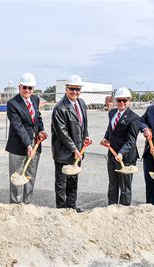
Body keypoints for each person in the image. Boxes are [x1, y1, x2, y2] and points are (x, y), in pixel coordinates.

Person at [51, 75, 91, 212]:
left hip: (77, 152)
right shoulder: (60, 108)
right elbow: (61, 132)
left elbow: (83, 124)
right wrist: (73, 148)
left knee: (73, 181)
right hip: (63, 152)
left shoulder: (81, 104)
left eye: (77, 89)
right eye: (72, 89)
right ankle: (61, 210)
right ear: (66, 89)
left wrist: (86, 136)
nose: (75, 92)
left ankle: (71, 207)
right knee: (62, 183)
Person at [6, 72, 47, 204]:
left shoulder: (35, 99)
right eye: (25, 87)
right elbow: (18, 127)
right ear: (19, 87)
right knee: (17, 177)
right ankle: (16, 205)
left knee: (30, 176)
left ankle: (27, 203)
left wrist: (41, 130)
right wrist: (28, 144)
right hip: (18, 146)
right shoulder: (13, 103)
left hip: (35, 145)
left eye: (30, 88)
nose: (27, 90)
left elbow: (37, 118)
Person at [100, 87, 140, 206]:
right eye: (119, 100)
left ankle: (124, 209)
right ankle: (112, 207)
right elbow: (110, 129)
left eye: (124, 100)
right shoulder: (112, 112)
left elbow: (131, 140)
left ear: (129, 101)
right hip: (112, 154)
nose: (121, 103)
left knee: (125, 186)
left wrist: (121, 153)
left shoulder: (134, 118)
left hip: (126, 157)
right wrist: (105, 138)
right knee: (113, 183)